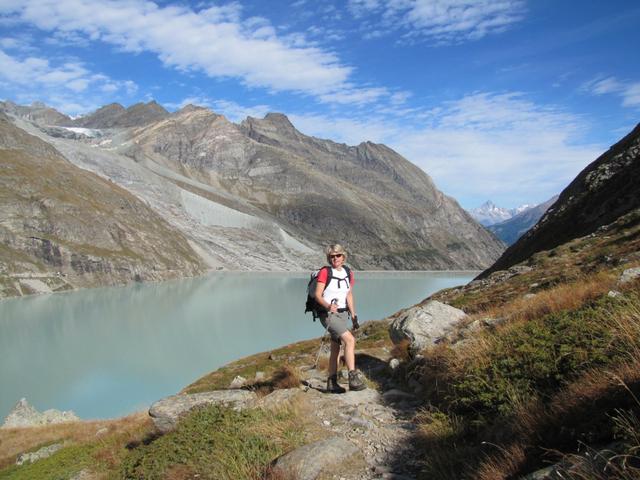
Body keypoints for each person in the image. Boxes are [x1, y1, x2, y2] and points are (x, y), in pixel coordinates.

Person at [314, 244, 366, 393]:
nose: (335, 258)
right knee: (350, 340)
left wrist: (353, 314)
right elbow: (318, 295)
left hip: (343, 314)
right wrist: (328, 305)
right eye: (332, 256)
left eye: (338, 255)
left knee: (336, 347)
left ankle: (332, 383)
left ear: (343, 257)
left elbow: (348, 294)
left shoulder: (348, 272)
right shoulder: (325, 272)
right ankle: (353, 379)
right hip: (328, 315)